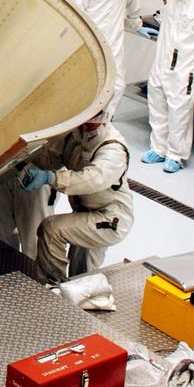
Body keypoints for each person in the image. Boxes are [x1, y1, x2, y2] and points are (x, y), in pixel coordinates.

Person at [17, 112, 133, 283]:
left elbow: (91, 180)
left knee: (53, 230)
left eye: (90, 124)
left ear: (104, 119)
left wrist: (52, 178)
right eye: (83, 123)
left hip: (108, 218)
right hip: (84, 212)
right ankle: (62, 290)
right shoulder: (76, 135)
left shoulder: (113, 148)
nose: (85, 129)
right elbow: (52, 160)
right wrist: (25, 153)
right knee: (80, 274)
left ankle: (52, 286)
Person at [75, 0, 142, 115]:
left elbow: (133, 6)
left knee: (117, 84)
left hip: (115, 39)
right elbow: (79, 7)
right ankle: (82, 120)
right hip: (92, 38)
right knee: (88, 81)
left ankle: (104, 122)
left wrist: (138, 25)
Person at [142, 0, 194, 173]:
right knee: (157, 105)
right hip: (161, 62)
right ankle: (158, 148)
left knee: (179, 111)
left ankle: (176, 154)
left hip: (185, 68)